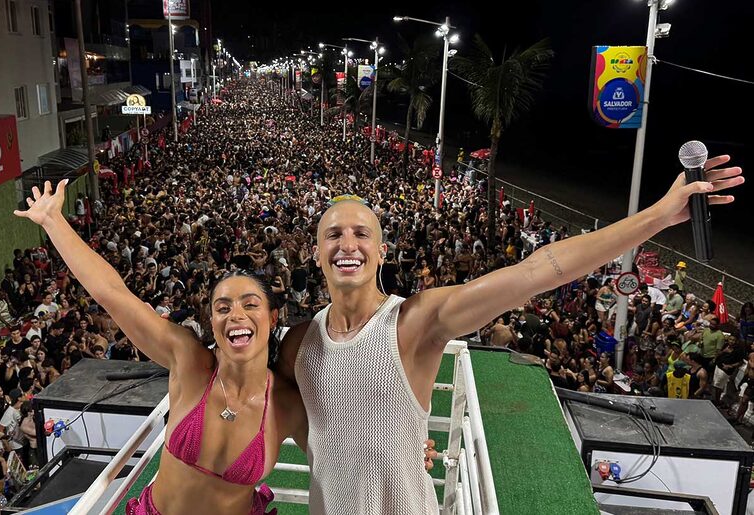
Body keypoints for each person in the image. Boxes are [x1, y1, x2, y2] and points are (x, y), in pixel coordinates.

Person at [279, 154, 742, 514]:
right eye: (333, 234)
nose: (347, 244)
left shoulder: (415, 322)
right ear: (316, 251)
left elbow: (537, 271)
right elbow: (296, 423)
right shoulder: (298, 345)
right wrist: (386, 450)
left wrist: (657, 216)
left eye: (361, 233)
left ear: (381, 252)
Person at [14, 181, 308, 515]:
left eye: (250, 305)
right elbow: (112, 293)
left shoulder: (287, 404)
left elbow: (340, 464)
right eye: (223, 308)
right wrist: (53, 220)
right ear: (212, 322)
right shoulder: (189, 362)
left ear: (272, 318)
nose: (236, 315)